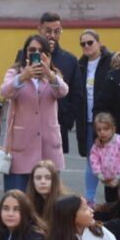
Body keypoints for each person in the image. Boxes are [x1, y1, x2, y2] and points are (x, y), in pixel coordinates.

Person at [0, 33, 68, 192]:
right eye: (31, 50)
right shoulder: (15, 72)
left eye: (40, 50)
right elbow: (5, 92)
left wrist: (49, 74)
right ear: (25, 52)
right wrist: (23, 77)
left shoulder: (53, 75)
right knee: (19, 195)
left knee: (48, 199)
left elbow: (62, 92)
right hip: (21, 145)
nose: (35, 53)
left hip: (48, 145)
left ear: (47, 55)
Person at [34, 11, 83, 153]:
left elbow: (77, 94)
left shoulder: (69, 59)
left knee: (53, 172)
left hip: (58, 125)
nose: (52, 36)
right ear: (40, 30)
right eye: (48, 31)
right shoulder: (27, 54)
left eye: (57, 31)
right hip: (31, 124)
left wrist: (66, 121)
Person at [73, 29, 114, 198]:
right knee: (92, 160)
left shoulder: (111, 62)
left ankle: (112, 200)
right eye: (83, 44)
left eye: (90, 42)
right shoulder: (80, 65)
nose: (87, 46)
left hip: (106, 120)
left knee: (109, 161)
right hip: (87, 121)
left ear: (99, 43)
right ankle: (89, 199)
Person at [88, 110, 120, 202]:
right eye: (99, 130)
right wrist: (100, 175)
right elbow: (94, 161)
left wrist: (118, 177)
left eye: (106, 129)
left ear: (113, 129)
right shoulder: (97, 146)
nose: (102, 132)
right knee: (110, 203)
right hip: (108, 182)